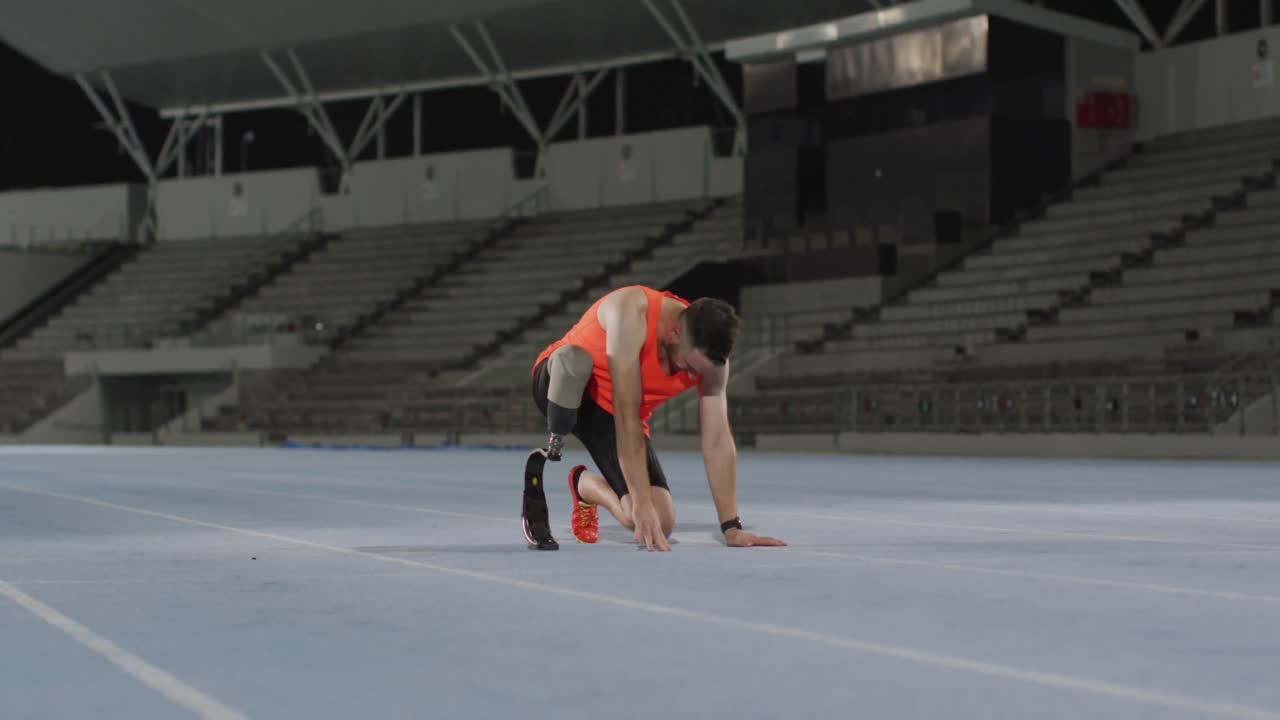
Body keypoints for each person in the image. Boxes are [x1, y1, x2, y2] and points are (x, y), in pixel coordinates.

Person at [520, 284, 786, 552]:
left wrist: (731, 527)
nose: (694, 378)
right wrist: (641, 500)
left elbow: (717, 439)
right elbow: (627, 414)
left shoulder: (713, 363)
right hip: (564, 387)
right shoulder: (631, 312)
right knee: (573, 361)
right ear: (674, 333)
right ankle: (558, 424)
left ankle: (584, 485)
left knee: (659, 522)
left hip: (609, 415)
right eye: (691, 368)